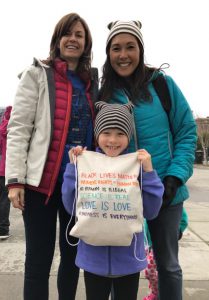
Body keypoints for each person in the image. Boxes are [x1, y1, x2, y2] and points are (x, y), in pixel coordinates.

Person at [99, 20, 197, 300]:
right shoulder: (105, 93)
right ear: (109, 53)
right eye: (116, 48)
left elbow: (187, 133)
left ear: (140, 50)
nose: (123, 54)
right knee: (121, 268)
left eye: (130, 47)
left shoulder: (163, 86)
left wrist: (174, 178)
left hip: (166, 191)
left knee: (168, 266)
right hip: (122, 196)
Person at [5, 13, 95, 300]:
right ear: (57, 40)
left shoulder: (91, 83)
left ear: (86, 43)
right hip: (39, 185)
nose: (73, 39)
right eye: (67, 33)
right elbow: (18, 128)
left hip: (78, 186)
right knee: (38, 262)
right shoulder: (36, 75)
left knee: (72, 260)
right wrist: (15, 180)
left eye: (79, 35)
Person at [62, 102, 164, 300]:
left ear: (129, 136)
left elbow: (151, 211)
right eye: (106, 132)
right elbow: (71, 207)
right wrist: (73, 169)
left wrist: (149, 173)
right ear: (97, 135)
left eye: (120, 133)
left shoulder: (136, 166)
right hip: (93, 261)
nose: (112, 140)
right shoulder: (86, 164)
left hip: (129, 261)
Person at [143, 207, 189, 300]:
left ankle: (156, 292)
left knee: (151, 270)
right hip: (149, 244)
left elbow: (184, 220)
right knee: (152, 271)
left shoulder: (173, 203)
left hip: (162, 241)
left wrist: (175, 233)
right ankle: (155, 291)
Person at [0, 106, 12, 240]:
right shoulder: (21, 124)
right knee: (28, 198)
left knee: (4, 199)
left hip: (4, 168)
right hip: (21, 167)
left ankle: (3, 229)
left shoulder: (1, 129)